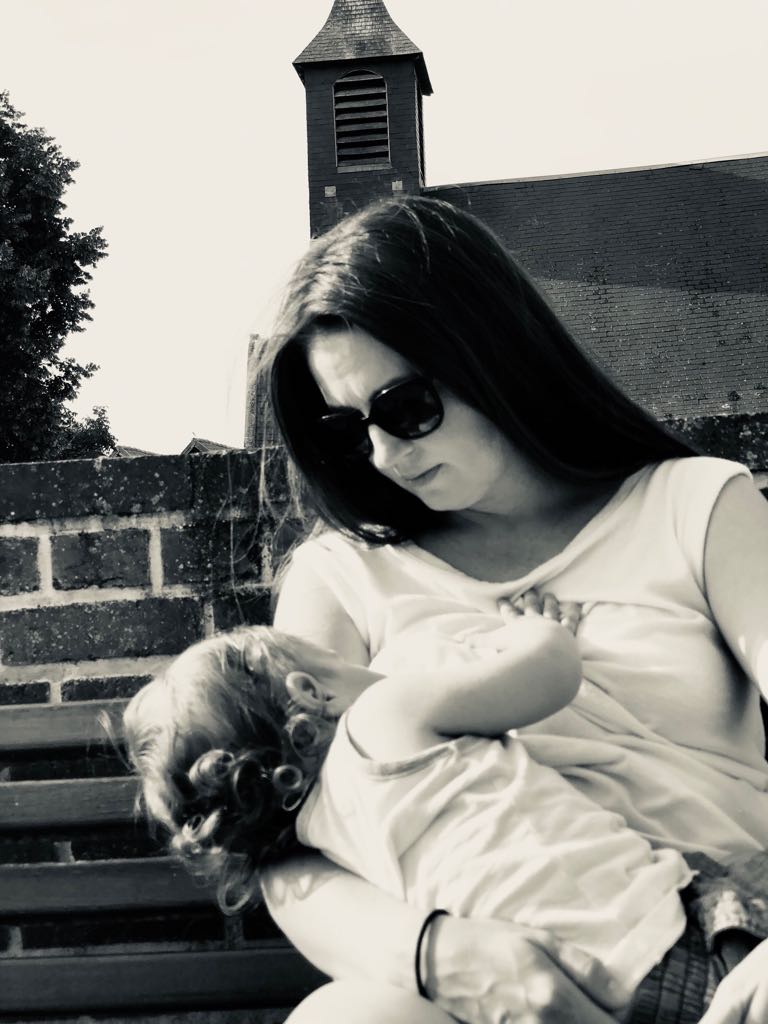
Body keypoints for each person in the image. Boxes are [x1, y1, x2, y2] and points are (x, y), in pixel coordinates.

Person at [252, 194, 768, 1024]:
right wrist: (440, 957)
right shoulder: (341, 578)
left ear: (493, 354)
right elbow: (287, 855)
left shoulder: (696, 505)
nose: (385, 454)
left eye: (407, 408)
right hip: (493, 993)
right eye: (350, 430)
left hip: (736, 954)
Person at [123, 610, 752, 1022]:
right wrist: (530, 629)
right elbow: (551, 676)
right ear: (311, 693)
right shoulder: (383, 716)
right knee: (728, 881)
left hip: (568, 995)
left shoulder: (325, 840)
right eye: (335, 662)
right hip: (670, 940)